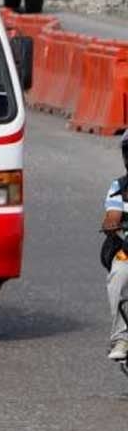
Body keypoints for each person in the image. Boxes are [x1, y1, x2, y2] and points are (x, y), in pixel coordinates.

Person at [102, 132, 128, 361]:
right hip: (127, 251)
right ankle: (122, 338)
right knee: (117, 277)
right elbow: (112, 215)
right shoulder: (119, 186)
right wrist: (112, 223)